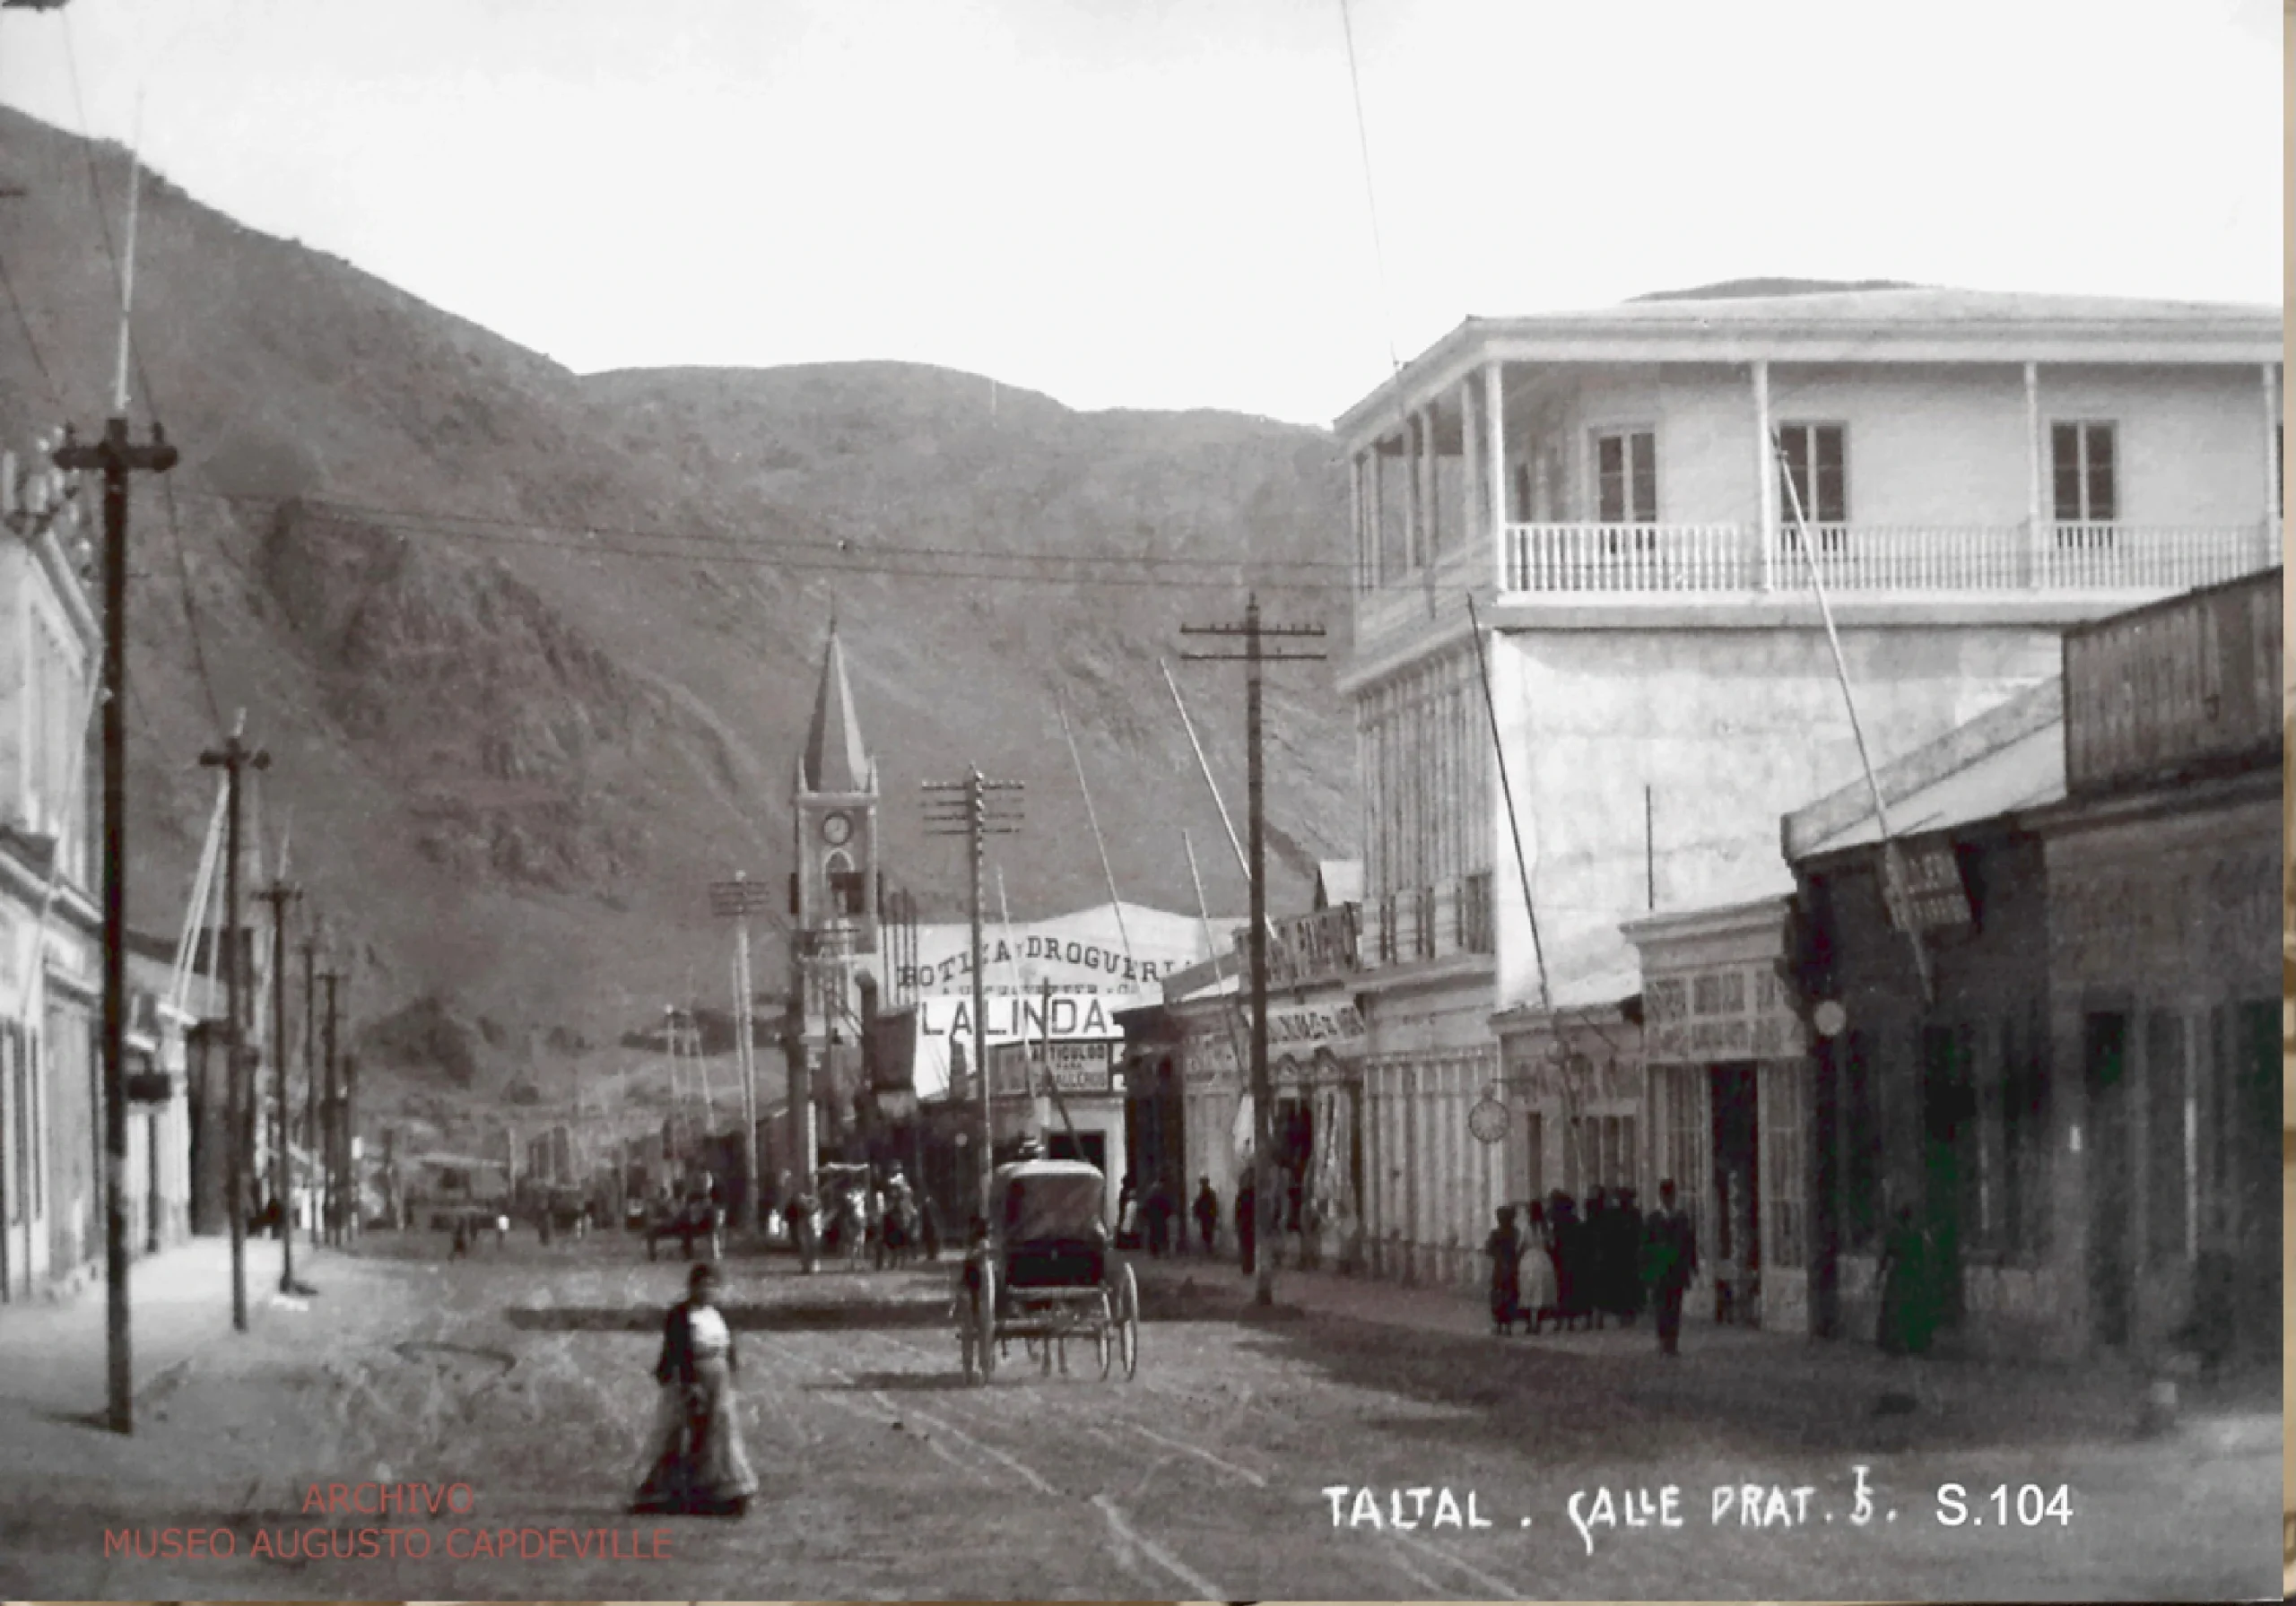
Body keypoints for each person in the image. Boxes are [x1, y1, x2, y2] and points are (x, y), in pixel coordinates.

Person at [631, 1263, 758, 1517]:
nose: (708, 1291)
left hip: (718, 1381)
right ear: (692, 1287)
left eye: (713, 1287)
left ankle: (721, 1488)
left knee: (719, 1433)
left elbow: (727, 1346)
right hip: (694, 1379)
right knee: (687, 1433)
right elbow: (677, 1350)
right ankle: (673, 1490)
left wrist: (731, 1368)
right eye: (703, 1286)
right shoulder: (681, 1315)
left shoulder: (715, 1315)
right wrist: (690, 1384)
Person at [1642, 1179, 1699, 1357]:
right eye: (1666, 1196)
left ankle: (1672, 1341)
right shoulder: (1653, 1219)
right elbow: (1645, 1247)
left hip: (1676, 1270)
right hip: (1659, 1271)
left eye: (1671, 1196)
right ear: (1661, 1196)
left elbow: (1689, 1244)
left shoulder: (1681, 1219)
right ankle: (1662, 1340)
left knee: (1675, 1306)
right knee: (1661, 1307)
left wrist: (1692, 1267)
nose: (1668, 1199)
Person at [1518, 1199, 1560, 1334]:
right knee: (1541, 1293)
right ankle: (1538, 1323)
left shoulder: (1526, 1227)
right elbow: (1552, 1244)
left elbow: (1519, 1245)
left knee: (1528, 1291)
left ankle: (1530, 1323)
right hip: (1543, 1259)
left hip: (1529, 1260)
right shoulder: (1546, 1228)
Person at [1484, 1206, 1523, 1335]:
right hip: (1512, 1267)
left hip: (1500, 1268)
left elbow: (1488, 1250)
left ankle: (1499, 1325)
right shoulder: (1515, 1233)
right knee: (1510, 1295)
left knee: (1498, 1296)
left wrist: (1497, 1254)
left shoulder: (1496, 1234)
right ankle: (1508, 1326)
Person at [1144, 1176, 1174, 1258]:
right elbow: (1168, 1208)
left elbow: (1146, 1209)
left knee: (1154, 1235)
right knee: (1162, 1235)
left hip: (1155, 1219)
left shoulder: (1151, 1199)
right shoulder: (1162, 1197)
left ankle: (1155, 1252)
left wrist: (1148, 1217)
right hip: (1160, 1219)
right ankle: (1162, 1251)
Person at [1234, 1176, 1257, 1277]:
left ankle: (1249, 1267)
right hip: (1246, 1224)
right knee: (1246, 1247)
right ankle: (1247, 1267)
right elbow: (1238, 1211)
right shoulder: (1245, 1195)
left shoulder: (1253, 1195)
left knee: (1250, 1247)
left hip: (1250, 1224)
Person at [1192, 1176, 1221, 1256]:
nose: (1202, 1185)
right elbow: (1197, 1205)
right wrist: (1197, 1213)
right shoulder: (1202, 1194)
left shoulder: (1210, 1194)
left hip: (1209, 1217)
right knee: (1205, 1233)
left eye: (1203, 1183)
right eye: (1202, 1184)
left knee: (1208, 1233)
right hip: (1204, 1217)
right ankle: (1208, 1248)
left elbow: (1214, 1205)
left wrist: (1213, 1214)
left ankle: (1209, 1248)